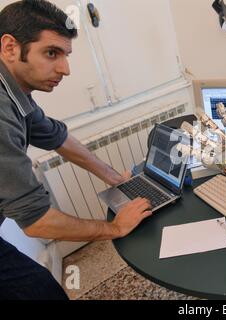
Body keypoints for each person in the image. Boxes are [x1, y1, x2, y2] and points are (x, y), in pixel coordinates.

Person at [0, 0, 152, 300]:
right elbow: (36, 221)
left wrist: (113, 178)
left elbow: (57, 138)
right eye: (51, 53)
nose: (65, 69)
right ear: (10, 47)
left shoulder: (15, 93)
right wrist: (114, 228)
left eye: (66, 55)